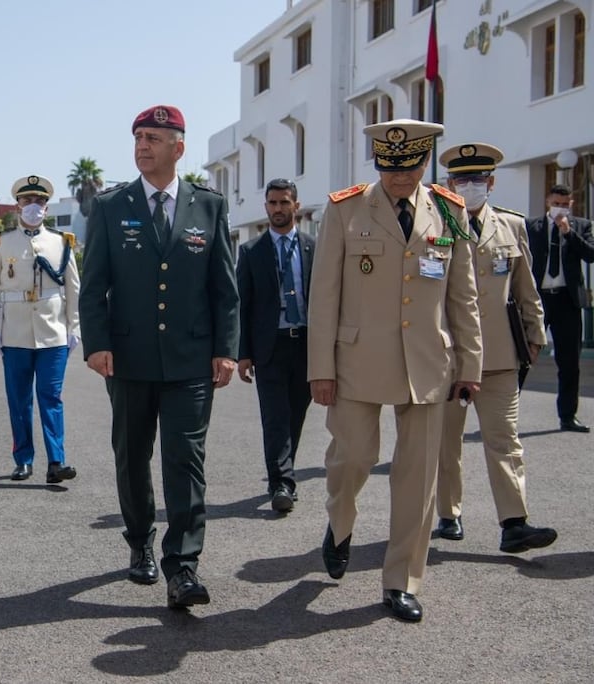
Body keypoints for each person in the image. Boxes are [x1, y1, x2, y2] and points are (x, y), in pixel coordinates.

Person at [308, 119, 482, 623]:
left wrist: (470, 363)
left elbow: (463, 296)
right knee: (353, 458)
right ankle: (340, 523)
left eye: (408, 168)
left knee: (417, 478)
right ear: (378, 163)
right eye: (389, 167)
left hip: (429, 363)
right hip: (357, 360)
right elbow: (324, 297)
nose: (399, 177)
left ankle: (401, 579)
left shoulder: (449, 213)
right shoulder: (345, 209)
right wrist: (321, 368)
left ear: (424, 162)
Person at [80, 105, 238, 609]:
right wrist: (97, 342)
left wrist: (226, 350)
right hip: (127, 358)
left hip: (191, 359)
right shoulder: (111, 206)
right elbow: (94, 285)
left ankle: (183, 567)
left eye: (152, 137)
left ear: (179, 147)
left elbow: (224, 289)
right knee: (132, 457)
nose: (142, 146)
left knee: (185, 460)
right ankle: (140, 541)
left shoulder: (208, 206)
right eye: (138, 138)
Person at [434, 143, 557, 553]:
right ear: (449, 182)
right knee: (445, 441)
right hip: (448, 355)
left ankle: (514, 523)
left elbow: (526, 287)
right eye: (461, 179)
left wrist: (535, 333)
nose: (470, 186)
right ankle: (449, 513)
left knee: (505, 440)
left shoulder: (511, 226)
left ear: (491, 181)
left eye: (477, 179)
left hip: (500, 353)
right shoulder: (432, 224)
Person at [0, 173, 80, 484]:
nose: (33, 206)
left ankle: (56, 461)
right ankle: (23, 459)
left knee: (51, 396)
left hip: (53, 332)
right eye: (27, 200)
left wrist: (74, 328)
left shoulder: (62, 243)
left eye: (39, 201)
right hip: (15, 332)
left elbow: (74, 289)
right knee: (19, 399)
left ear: (46, 207)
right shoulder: (0, 243)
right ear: (17, 206)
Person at [236, 178, 314, 513]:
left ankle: (283, 475)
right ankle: (282, 483)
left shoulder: (315, 247)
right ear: (265, 206)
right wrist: (243, 353)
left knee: (296, 414)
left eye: (284, 203)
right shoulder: (251, 251)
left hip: (307, 346)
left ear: (296, 205)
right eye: (272, 203)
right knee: (275, 417)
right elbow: (243, 305)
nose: (277, 209)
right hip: (269, 347)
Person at [526, 183, 594, 432]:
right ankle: (505, 413)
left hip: (567, 300)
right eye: (556, 204)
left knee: (569, 362)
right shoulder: (531, 226)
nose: (560, 209)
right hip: (537, 299)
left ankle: (568, 416)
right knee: (523, 356)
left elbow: (591, 254)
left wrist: (568, 234)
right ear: (547, 201)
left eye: (565, 205)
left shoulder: (582, 226)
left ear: (571, 204)